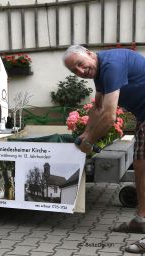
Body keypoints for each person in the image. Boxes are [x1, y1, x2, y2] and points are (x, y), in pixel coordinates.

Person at [63, 44, 145, 254]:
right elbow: (98, 107)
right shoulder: (100, 73)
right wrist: (85, 133)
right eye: (74, 71)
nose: (80, 72)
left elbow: (109, 117)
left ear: (90, 53)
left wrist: (89, 143)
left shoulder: (112, 65)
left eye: (80, 64)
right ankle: (141, 219)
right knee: (141, 165)